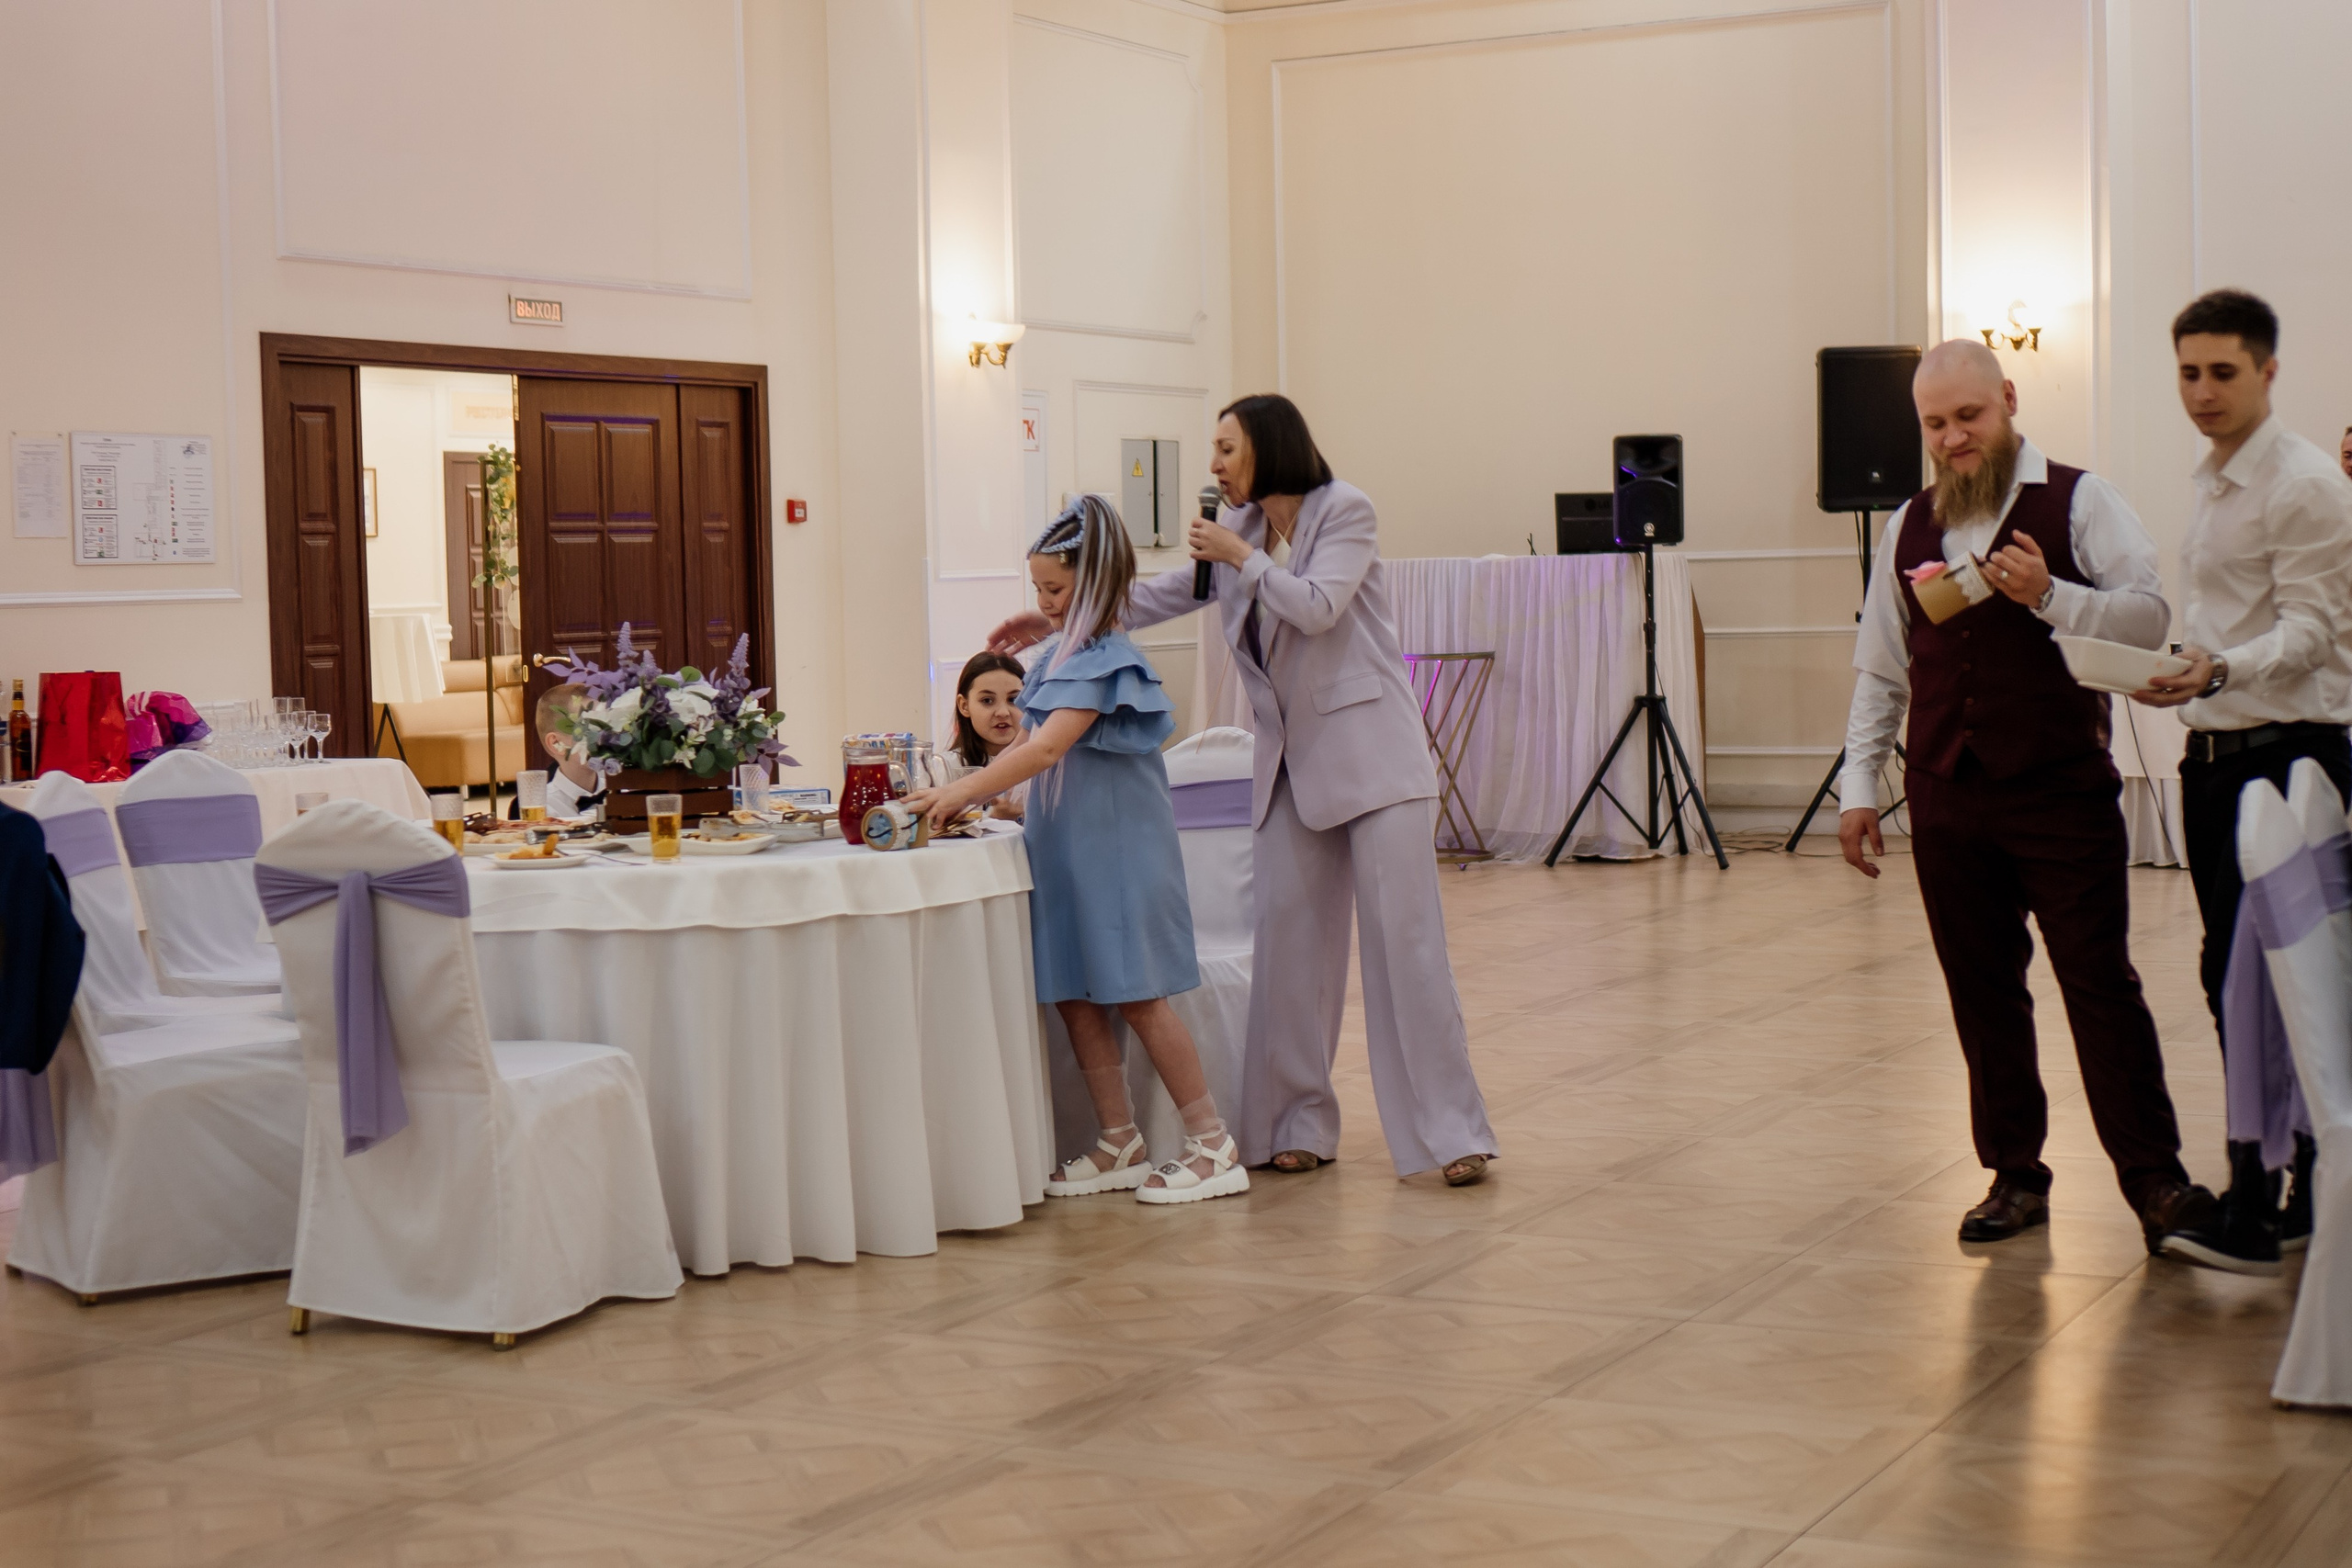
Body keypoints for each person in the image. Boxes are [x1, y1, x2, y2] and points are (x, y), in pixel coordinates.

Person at [989, 395, 1496, 1187]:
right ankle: (1297, 1124)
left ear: (1269, 447)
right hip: (1289, 766)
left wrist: (1239, 555)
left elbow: (1321, 608)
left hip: (1376, 763)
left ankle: (1452, 1132)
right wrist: (1059, 618)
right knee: (1290, 949)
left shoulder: (1344, 511)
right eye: (1214, 450)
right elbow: (1152, 597)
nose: (1215, 465)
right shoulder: (1240, 537)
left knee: (1408, 950)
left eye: (1226, 448)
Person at [1838, 339, 2211, 1249]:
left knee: (2098, 985)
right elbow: (1879, 667)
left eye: (1969, 416)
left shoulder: (2079, 499)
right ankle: (2013, 1174)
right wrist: (1860, 786)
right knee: (1981, 989)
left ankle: (2155, 1185)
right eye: (1935, 424)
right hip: (1945, 794)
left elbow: (2148, 615)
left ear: (2006, 400)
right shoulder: (1907, 523)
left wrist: (2054, 596)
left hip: (2057, 788)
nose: (1955, 438)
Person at [908, 497, 1244, 1203]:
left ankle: (1213, 1141)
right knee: (1074, 998)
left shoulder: (1109, 660)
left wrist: (960, 793)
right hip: (1063, 854)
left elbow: (1047, 746)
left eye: (1054, 589)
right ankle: (1118, 1136)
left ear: (1092, 585)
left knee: (1139, 998)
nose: (1043, 602)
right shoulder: (1062, 656)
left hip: (1117, 859)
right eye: (1036, 589)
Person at [2132, 289, 2352, 1274]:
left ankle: (2263, 1203)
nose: (2202, 391)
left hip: (2284, 752)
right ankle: (2285, 1184)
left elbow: (2312, 630)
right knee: (2238, 979)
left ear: (2267, 371)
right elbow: (2234, 615)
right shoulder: (2217, 475)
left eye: (2223, 372)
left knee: (2275, 984)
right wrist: (2185, 664)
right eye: (2187, 372)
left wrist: (2217, 671)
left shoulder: (2302, 483)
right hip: (2218, 751)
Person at [950, 650, 1028, 820]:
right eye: (987, 701)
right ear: (964, 705)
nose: (1002, 712)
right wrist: (995, 818)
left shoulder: (1046, 766)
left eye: (1013, 700)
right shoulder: (944, 768)